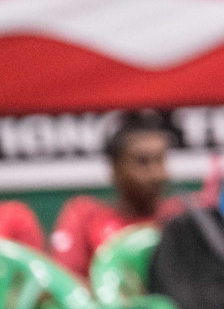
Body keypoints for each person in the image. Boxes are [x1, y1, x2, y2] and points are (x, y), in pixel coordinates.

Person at [51, 111, 189, 277]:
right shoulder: (85, 218)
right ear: (115, 169)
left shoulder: (182, 219)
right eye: (143, 162)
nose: (157, 174)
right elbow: (65, 285)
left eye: (161, 160)